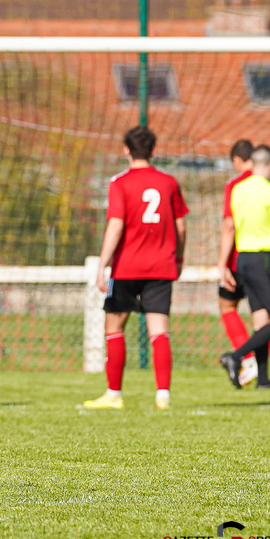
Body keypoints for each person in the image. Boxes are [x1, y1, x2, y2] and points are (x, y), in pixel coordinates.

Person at [84, 125, 188, 411]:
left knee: (114, 328)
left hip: (127, 268)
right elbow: (180, 226)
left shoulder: (119, 183)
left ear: (126, 150)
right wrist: (178, 259)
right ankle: (163, 395)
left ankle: (114, 394)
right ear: (154, 151)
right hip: (161, 267)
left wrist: (102, 264)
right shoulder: (169, 182)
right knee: (159, 331)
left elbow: (116, 225)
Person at [217, 140, 270, 389]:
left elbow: (231, 223)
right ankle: (236, 356)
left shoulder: (238, 189)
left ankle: (263, 380)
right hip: (265, 259)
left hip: (243, 259)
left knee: (261, 318)